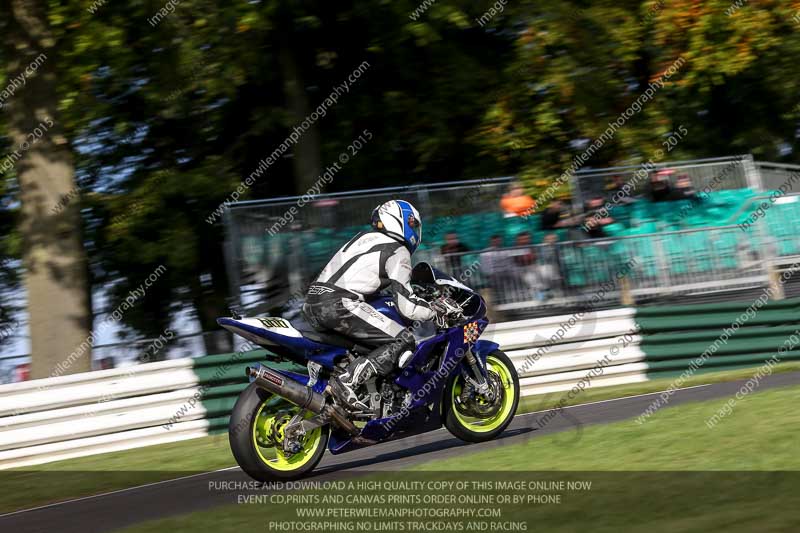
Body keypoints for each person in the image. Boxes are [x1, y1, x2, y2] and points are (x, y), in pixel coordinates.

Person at [302, 200, 444, 411]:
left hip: (313, 302)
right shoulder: (397, 250)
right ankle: (348, 381)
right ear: (400, 221)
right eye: (413, 224)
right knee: (403, 339)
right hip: (339, 303)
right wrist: (435, 310)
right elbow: (407, 306)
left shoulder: (363, 238)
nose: (415, 231)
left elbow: (363, 280)